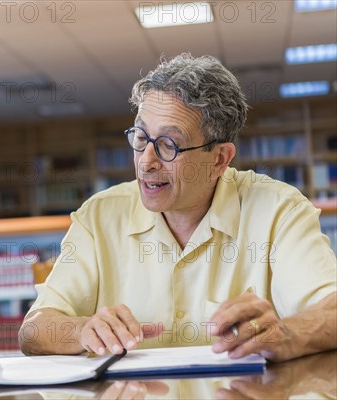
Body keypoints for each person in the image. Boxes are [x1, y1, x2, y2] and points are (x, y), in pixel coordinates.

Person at [20, 53, 336, 362]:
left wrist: (286, 333)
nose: (146, 161)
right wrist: (82, 330)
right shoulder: (99, 216)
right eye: (141, 137)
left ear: (220, 159)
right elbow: (34, 330)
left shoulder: (279, 209)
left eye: (169, 145)